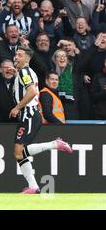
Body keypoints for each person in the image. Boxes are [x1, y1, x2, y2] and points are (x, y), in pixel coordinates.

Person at [9, 46, 72, 194]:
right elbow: (28, 87)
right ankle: (33, 187)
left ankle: (55, 144)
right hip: (29, 114)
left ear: (27, 58)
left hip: (28, 113)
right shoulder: (26, 72)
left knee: (19, 152)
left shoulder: (25, 71)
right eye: (15, 55)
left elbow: (31, 91)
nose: (15, 57)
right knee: (19, 153)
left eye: (19, 55)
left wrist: (17, 107)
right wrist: (16, 74)